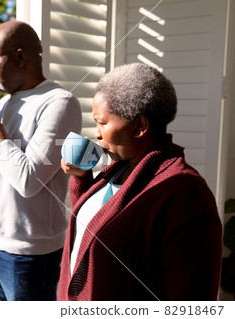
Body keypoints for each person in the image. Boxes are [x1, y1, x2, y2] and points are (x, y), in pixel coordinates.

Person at [58, 63, 222, 301]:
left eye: (102, 123)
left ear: (140, 127)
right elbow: (94, 226)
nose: (96, 134)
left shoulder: (185, 193)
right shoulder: (118, 169)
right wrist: (82, 178)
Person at [0, 20, 82, 301]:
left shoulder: (59, 102)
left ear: (20, 57)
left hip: (30, 256)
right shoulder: (4, 103)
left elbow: (28, 180)